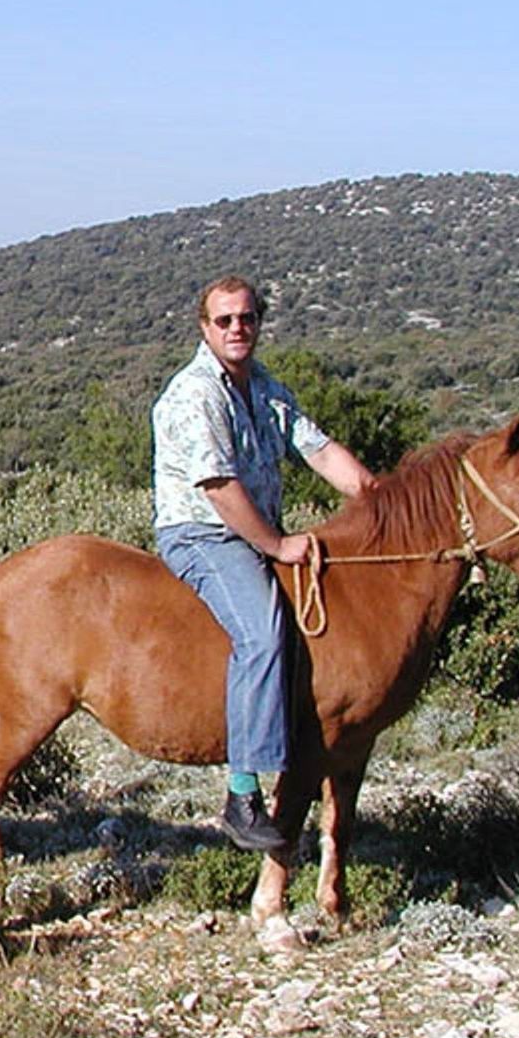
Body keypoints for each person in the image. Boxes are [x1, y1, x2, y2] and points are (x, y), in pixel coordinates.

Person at [152, 275, 376, 851]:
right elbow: (220, 488)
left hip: (250, 532)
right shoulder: (195, 393)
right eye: (224, 320)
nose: (237, 329)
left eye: (247, 318)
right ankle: (242, 790)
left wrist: (376, 500)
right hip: (204, 535)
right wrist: (276, 547)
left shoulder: (266, 388)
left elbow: (318, 449)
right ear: (205, 328)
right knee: (262, 632)